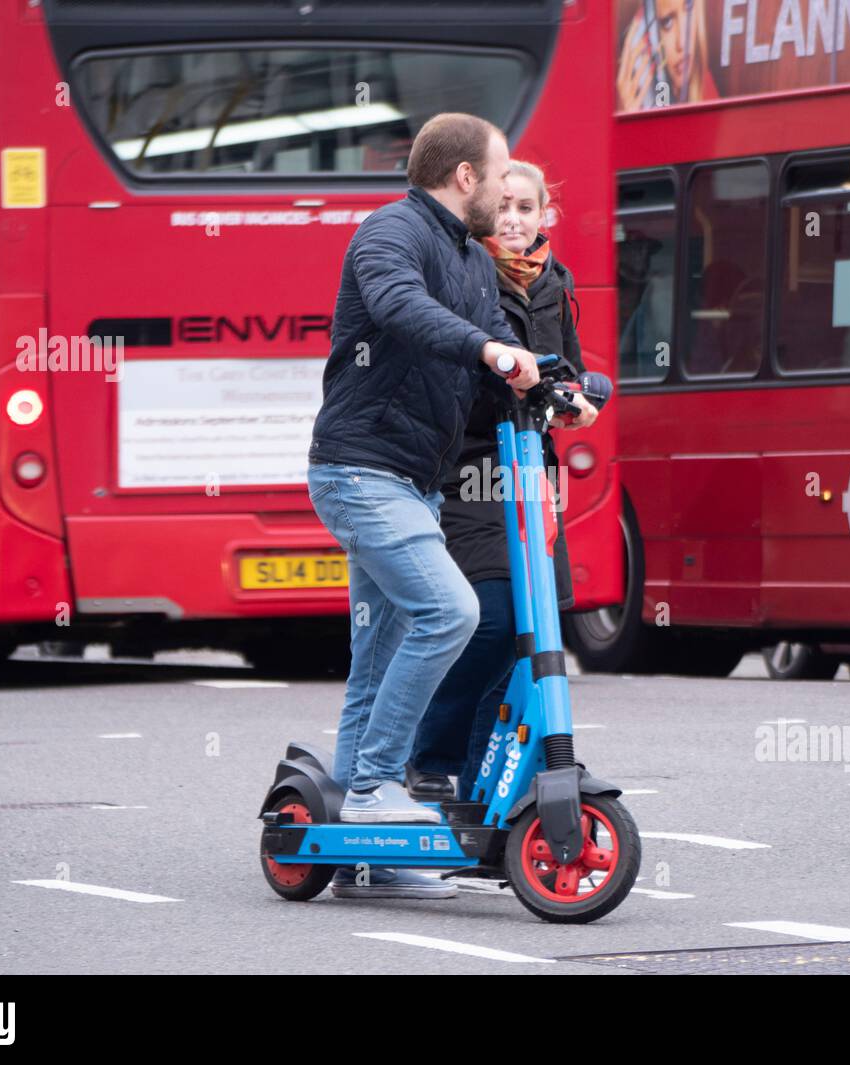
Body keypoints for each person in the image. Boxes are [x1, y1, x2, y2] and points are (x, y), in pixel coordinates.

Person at [305, 112, 539, 900]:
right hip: (361, 470)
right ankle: (373, 786)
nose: (511, 189)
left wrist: (571, 386)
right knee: (451, 611)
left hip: (414, 483)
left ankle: (357, 847)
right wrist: (487, 349)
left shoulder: (473, 260)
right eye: (501, 173)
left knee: (374, 664)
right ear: (464, 176)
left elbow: (499, 343)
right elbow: (404, 308)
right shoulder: (389, 234)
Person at [406, 160, 598, 805]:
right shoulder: (466, 274)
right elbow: (455, 364)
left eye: (527, 208)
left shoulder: (554, 282)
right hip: (472, 469)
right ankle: (429, 757)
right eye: (504, 207)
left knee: (535, 629)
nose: (514, 220)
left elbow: (565, 364)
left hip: (529, 472)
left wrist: (579, 392)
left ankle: (493, 770)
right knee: (491, 620)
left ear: (548, 213)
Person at [616, 0, 716, 112]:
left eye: (689, 7)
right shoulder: (626, 101)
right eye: (667, 22)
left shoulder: (704, 85)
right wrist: (629, 123)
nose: (682, 43)